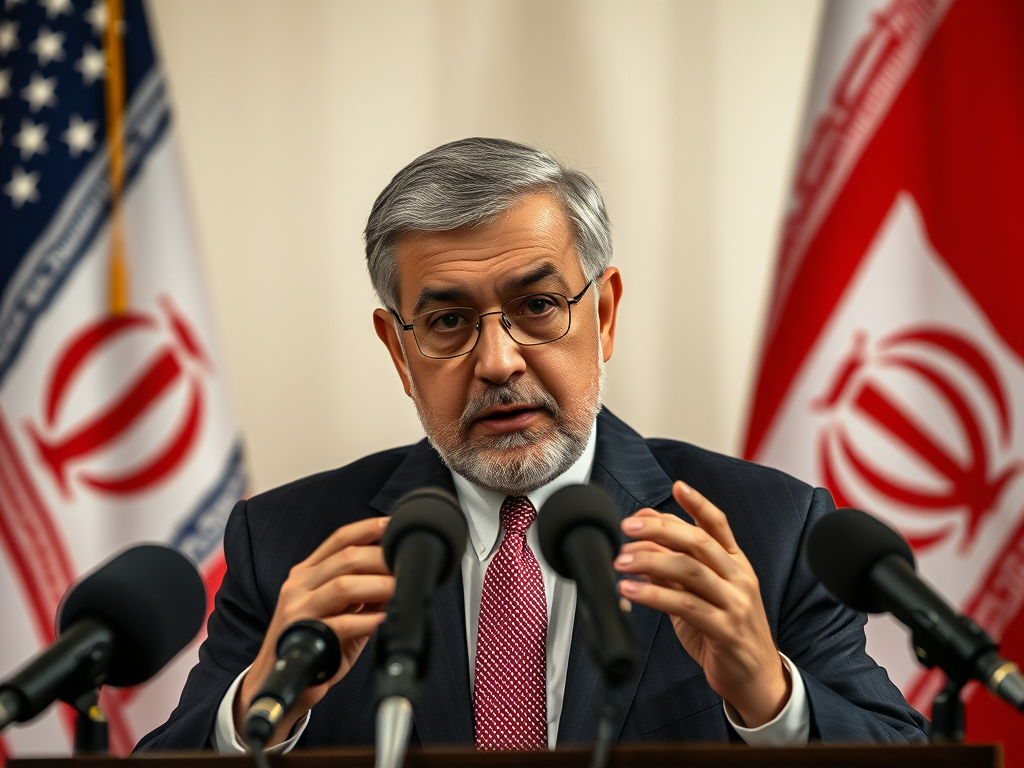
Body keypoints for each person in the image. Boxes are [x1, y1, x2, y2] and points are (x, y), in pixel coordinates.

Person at [135, 138, 927, 752]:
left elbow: (902, 752)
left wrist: (770, 698)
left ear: (604, 314)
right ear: (398, 351)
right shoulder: (287, 545)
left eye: (538, 306)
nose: (497, 361)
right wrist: (261, 709)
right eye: (447, 321)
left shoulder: (770, 531)